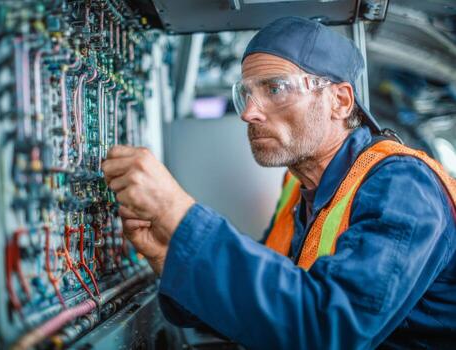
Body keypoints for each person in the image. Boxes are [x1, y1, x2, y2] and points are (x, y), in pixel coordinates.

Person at [101, 17, 456, 349]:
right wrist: (171, 257)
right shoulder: (300, 189)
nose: (248, 112)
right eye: (247, 94)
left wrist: (178, 213)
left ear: (340, 100)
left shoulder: (404, 187)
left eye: (275, 88)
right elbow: (270, 307)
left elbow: (331, 329)